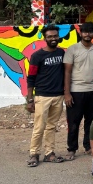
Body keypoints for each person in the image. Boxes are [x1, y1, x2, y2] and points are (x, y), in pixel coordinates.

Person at [64, 22, 93, 160]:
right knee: (74, 121)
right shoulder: (73, 49)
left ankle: (88, 146)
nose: (87, 34)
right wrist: (67, 93)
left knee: (92, 121)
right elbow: (67, 71)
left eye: (90, 32)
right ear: (80, 33)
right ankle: (72, 148)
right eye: (85, 32)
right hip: (76, 90)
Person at [26, 24, 66, 167]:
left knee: (51, 126)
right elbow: (30, 78)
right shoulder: (37, 56)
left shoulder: (62, 53)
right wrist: (30, 99)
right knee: (39, 127)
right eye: (50, 36)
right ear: (45, 38)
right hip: (42, 96)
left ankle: (49, 153)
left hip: (58, 96)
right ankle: (34, 154)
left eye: (55, 36)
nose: (53, 38)